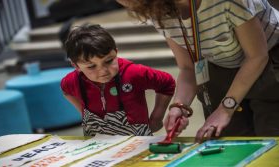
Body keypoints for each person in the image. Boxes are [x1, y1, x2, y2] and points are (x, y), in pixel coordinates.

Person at [116, 0, 279, 142]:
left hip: (270, 58)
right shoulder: (158, 11)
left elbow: (257, 56)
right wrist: (179, 106)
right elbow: (187, 68)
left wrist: (225, 109)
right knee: (225, 137)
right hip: (220, 63)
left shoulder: (225, 2)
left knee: (271, 135)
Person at [61, 24, 176, 136]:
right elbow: (66, 90)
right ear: (76, 66)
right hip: (97, 144)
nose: (103, 71)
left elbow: (167, 83)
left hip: (137, 143)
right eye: (91, 66)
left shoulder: (133, 73)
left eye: (109, 60)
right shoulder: (72, 81)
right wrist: (82, 110)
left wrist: (157, 116)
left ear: (116, 52)